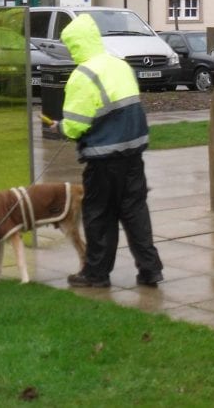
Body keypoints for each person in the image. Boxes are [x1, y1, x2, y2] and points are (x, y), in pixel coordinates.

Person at [48, 14, 164, 287]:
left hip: (102, 160)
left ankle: (96, 274)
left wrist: (59, 127)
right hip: (133, 155)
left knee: (99, 216)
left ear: (75, 44)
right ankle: (151, 270)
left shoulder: (83, 75)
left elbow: (77, 125)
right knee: (136, 214)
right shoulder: (119, 65)